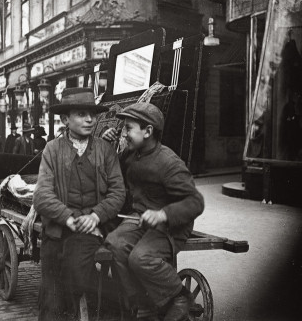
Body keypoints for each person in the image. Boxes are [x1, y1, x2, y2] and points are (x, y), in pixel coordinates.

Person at [102, 102, 204, 321]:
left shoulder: (169, 163)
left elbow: (195, 202)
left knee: (141, 258)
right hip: (140, 218)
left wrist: (163, 214)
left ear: (148, 131)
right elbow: (112, 176)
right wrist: (106, 145)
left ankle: (180, 296)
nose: (124, 133)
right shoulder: (131, 154)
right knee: (115, 245)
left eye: (129, 128)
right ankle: (143, 304)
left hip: (170, 224)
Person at [33, 87, 126, 320]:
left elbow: (117, 192)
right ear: (65, 119)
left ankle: (112, 306)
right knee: (51, 299)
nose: (90, 119)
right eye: (81, 114)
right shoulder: (52, 150)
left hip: (91, 229)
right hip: (57, 229)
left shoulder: (105, 151)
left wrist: (95, 216)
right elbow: (42, 196)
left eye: (92, 115)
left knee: (77, 271)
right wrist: (68, 218)